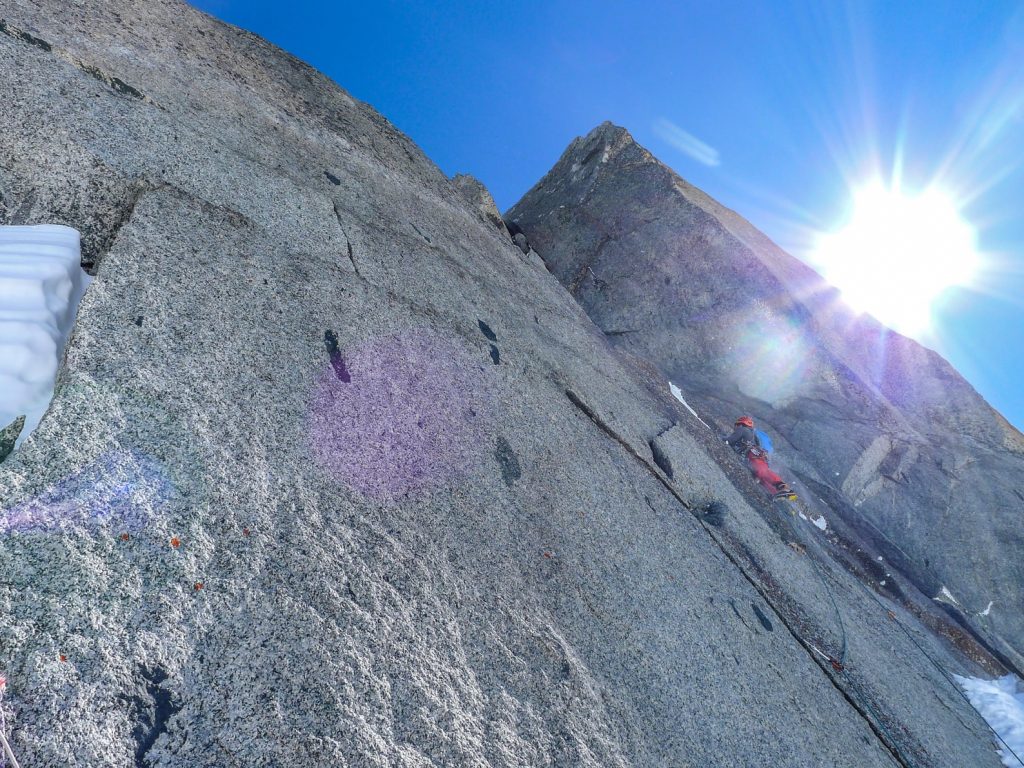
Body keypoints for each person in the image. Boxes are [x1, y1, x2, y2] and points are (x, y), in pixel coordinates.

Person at [724, 416, 795, 500]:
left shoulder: (743, 429)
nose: (734, 428)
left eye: (736, 425)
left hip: (753, 454)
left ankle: (783, 487)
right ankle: (777, 493)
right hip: (756, 455)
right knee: (761, 478)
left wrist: (720, 437)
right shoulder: (752, 435)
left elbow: (730, 440)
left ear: (740, 424)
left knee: (762, 471)